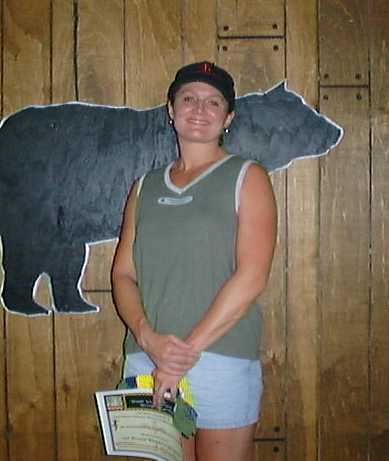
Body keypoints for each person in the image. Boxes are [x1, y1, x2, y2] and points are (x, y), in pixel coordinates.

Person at [111, 61, 277, 461]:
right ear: (171, 109)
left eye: (213, 101)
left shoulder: (248, 176)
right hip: (148, 358)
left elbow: (252, 276)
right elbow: (123, 274)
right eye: (188, 98)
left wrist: (183, 355)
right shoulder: (144, 187)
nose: (199, 109)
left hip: (220, 358)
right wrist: (148, 339)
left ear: (228, 117)